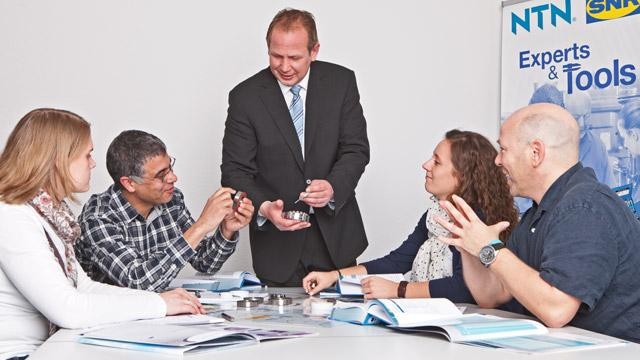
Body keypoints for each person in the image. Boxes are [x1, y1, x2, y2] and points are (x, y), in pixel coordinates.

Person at [0, 109, 204, 359]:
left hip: (50, 348)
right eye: (87, 155)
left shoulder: (47, 214)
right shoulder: (12, 216)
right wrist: (159, 304)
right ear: (58, 160)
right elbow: (68, 309)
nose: (93, 163)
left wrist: (162, 300)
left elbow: (83, 286)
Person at [437, 103, 640, 342]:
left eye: (503, 150)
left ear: (536, 153)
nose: (497, 161)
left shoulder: (585, 208)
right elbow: (491, 294)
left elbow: (556, 310)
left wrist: (489, 248)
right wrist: (468, 243)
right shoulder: (538, 212)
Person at [221, 8, 370, 286]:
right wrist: (265, 208)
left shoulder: (341, 82)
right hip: (277, 247)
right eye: (276, 56)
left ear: (314, 51)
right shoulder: (245, 97)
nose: (285, 66)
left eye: (294, 57)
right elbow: (234, 172)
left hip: (337, 240)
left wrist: (333, 187)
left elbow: (356, 149)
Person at [302, 130, 518, 300]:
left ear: (463, 176)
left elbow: (464, 288)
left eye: (437, 161)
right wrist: (333, 276)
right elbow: (397, 261)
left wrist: (399, 290)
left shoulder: (477, 222)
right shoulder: (435, 214)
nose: (426, 165)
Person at [74, 130, 254, 291]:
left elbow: (204, 262)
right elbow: (139, 282)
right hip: (108, 321)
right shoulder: (99, 217)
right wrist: (201, 226)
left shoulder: (172, 200)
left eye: (170, 168)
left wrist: (226, 230)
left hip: (155, 316)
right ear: (129, 183)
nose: (173, 178)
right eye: (161, 175)